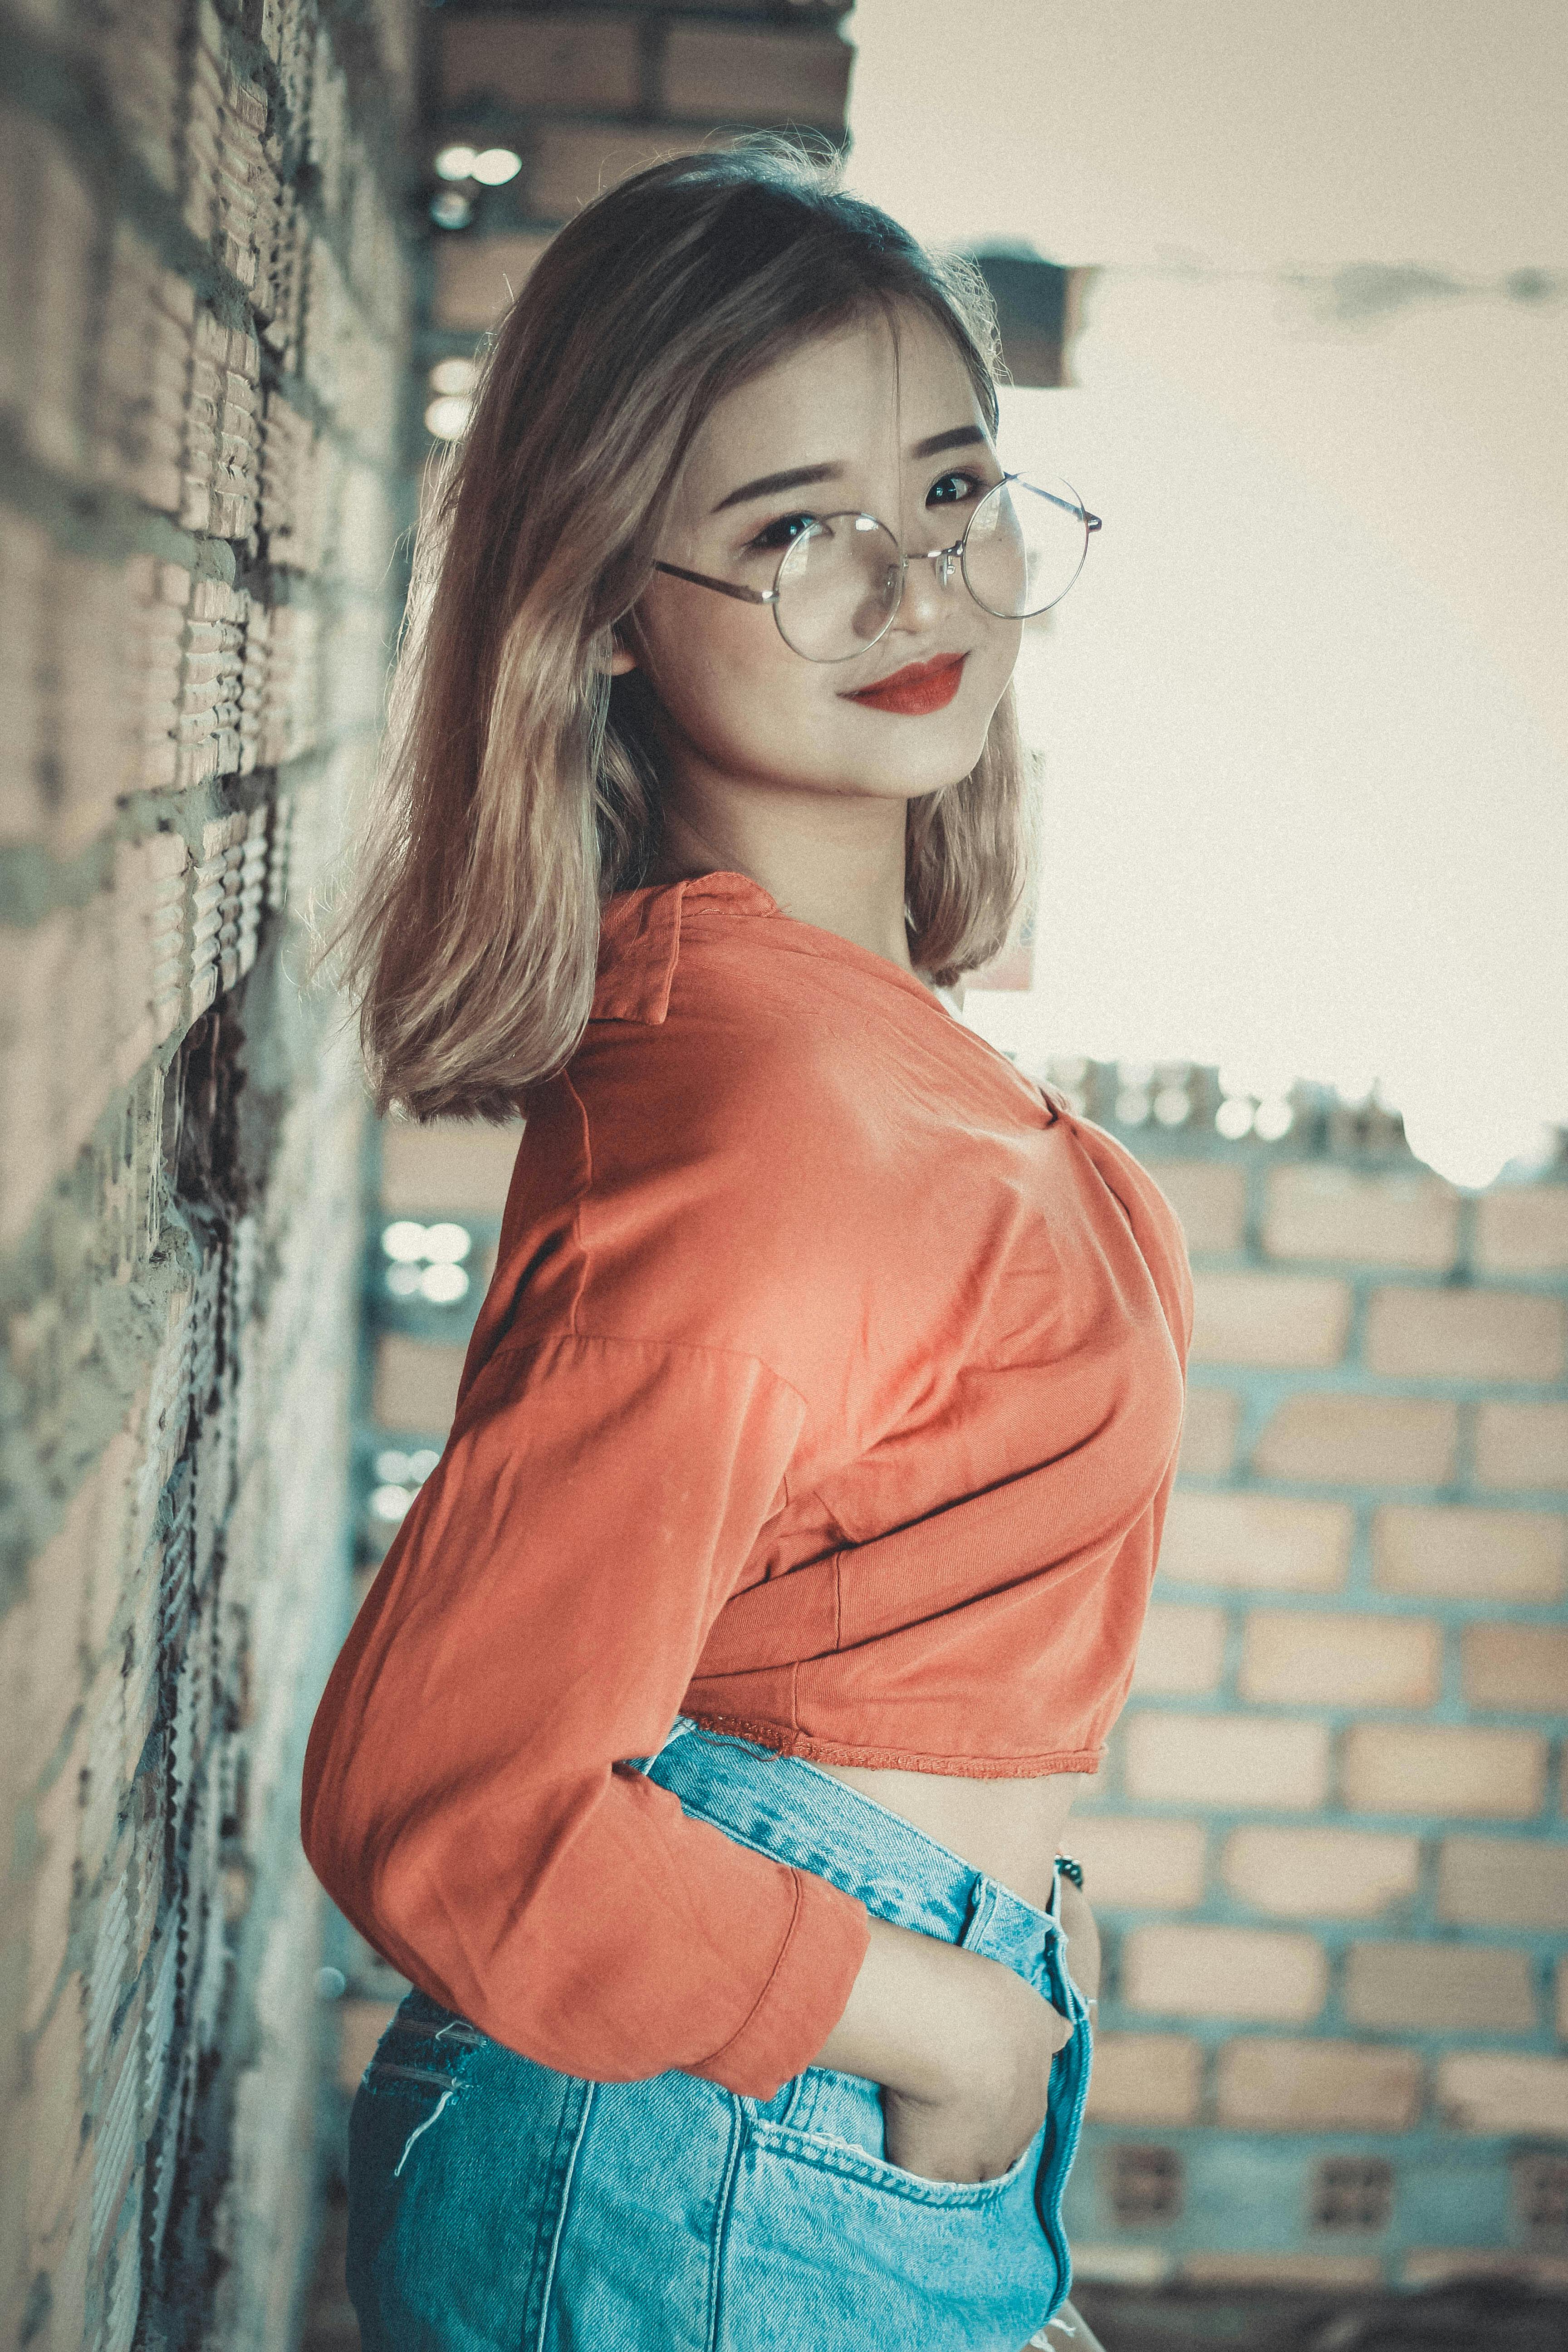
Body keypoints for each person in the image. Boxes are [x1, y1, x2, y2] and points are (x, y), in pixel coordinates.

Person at [301, 141, 1192, 2352]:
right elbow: (443, 1793)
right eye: (796, 532)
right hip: (742, 2134)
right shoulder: (777, 1109)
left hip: (786, 2135)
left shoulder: (829, 1036)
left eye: (955, 491)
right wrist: (958, 2037)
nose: (911, 591)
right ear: (603, 602)